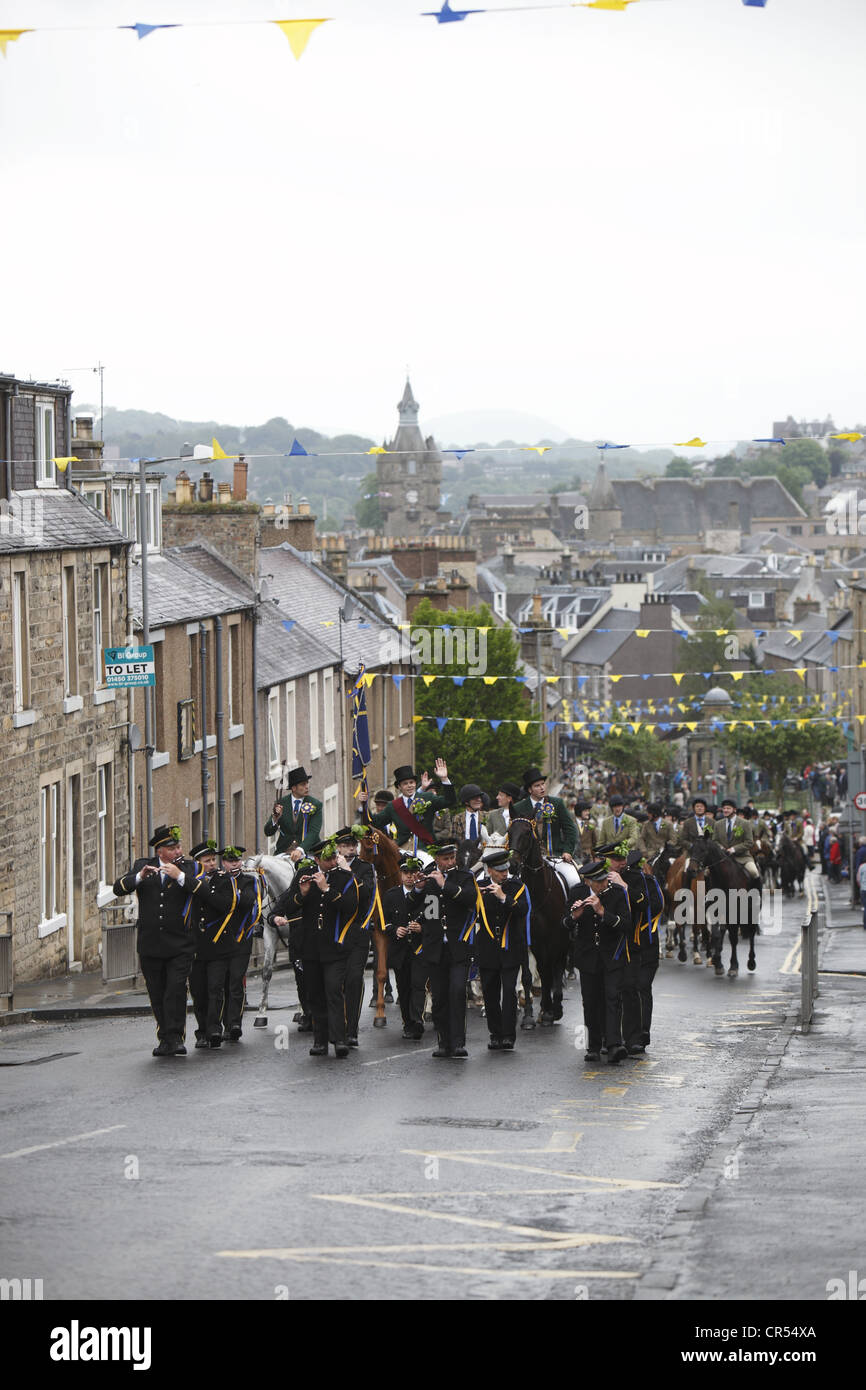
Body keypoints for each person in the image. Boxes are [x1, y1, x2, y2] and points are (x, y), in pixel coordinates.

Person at [113, 824, 202, 1057]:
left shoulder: (189, 867)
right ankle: (164, 1038)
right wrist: (139, 878)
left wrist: (180, 877)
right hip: (151, 944)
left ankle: (176, 1037)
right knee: (157, 993)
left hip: (180, 945)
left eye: (179, 847)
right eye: (172, 848)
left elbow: (203, 890)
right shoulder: (143, 866)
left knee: (175, 990)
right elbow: (118, 888)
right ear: (160, 850)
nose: (178, 851)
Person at [270, 838, 360, 1058]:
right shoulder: (305, 873)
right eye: (326, 859)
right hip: (310, 947)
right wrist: (301, 893)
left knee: (333, 990)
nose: (331, 862)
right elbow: (287, 906)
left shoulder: (344, 876)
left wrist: (326, 888)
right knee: (315, 994)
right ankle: (320, 1040)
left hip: (335, 946)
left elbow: (350, 907)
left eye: (333, 857)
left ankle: (339, 1038)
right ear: (317, 859)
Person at [409, 842, 477, 1058]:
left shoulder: (464, 877)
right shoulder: (429, 880)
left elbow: (469, 898)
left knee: (457, 992)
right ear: (437, 860)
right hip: (436, 948)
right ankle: (443, 1042)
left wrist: (445, 884)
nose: (449, 862)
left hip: (458, 947)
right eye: (445, 859)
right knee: (439, 997)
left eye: (452, 858)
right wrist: (419, 889)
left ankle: (458, 1042)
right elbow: (423, 910)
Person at [565, 859, 631, 1065]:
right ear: (588, 882)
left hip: (611, 955)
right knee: (590, 1001)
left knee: (612, 998)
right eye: (598, 882)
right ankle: (593, 1046)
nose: (603, 885)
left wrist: (603, 911)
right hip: (587, 957)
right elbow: (564, 923)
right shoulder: (577, 893)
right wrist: (574, 916)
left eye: (604, 880)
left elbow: (626, 924)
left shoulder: (617, 893)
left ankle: (613, 1045)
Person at [474, 848, 531, 1051]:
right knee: (489, 992)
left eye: (506, 869)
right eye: (499, 870)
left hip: (510, 948)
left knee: (509, 991)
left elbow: (523, 910)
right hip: (488, 947)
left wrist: (503, 897)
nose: (504, 873)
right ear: (489, 871)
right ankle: (495, 1033)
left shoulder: (516, 887)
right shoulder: (479, 886)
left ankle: (508, 1035)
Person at [207, 846, 264, 1042]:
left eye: (237, 860)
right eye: (231, 861)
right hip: (220, 941)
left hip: (240, 939)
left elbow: (248, 901)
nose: (235, 864)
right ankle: (217, 1024)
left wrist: (230, 894)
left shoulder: (248, 880)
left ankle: (234, 1024)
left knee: (235, 982)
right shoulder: (217, 880)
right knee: (218, 984)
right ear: (223, 862)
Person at [333, 826, 379, 1046]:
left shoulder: (365, 868)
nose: (350, 848)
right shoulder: (330, 867)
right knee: (333, 982)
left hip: (357, 932)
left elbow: (366, 893)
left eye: (352, 845)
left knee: (353, 979)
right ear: (338, 848)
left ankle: (351, 1029)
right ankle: (335, 1028)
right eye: (345, 845)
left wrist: (348, 872)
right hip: (334, 933)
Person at [188, 841, 232, 1049]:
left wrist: (203, 888)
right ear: (198, 863)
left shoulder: (223, 880)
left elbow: (223, 904)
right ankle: (202, 1030)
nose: (212, 864)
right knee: (198, 991)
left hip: (217, 945)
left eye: (213, 860)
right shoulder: (189, 882)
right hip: (196, 945)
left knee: (215, 988)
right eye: (207, 861)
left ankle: (215, 1028)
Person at [359, 759, 455, 850]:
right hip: (403, 849)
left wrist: (444, 778)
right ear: (399, 787)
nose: (409, 786)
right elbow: (374, 822)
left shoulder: (427, 797)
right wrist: (364, 804)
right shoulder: (393, 806)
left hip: (427, 848)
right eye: (405, 783)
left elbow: (449, 801)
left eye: (411, 782)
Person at [382, 856, 427, 1039]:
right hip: (400, 950)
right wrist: (394, 929)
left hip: (419, 948)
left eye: (413, 873)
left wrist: (422, 928)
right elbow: (383, 922)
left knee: (418, 984)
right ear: (401, 874)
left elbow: (434, 918)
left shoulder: (427, 894)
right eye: (406, 873)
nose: (409, 877)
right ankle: (407, 1021)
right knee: (404, 986)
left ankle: (417, 1021)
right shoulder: (391, 895)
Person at [511, 767, 577, 861]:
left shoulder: (557, 803)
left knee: (572, 876)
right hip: (528, 860)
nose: (542, 788)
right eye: (537, 786)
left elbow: (570, 829)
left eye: (543, 784)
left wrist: (567, 851)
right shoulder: (518, 808)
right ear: (530, 790)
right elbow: (515, 835)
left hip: (556, 856)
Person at [263, 766, 323, 857]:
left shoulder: (315, 804)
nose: (307, 787)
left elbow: (313, 832)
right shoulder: (281, 803)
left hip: (308, 852)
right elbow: (268, 832)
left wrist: (300, 849)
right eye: (303, 784)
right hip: (284, 851)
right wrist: (275, 819)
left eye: (307, 783)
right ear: (294, 788)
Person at [713, 797, 760, 881]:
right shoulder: (717, 824)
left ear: (734, 810)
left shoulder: (745, 823)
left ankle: (756, 893)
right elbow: (715, 841)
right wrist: (721, 848)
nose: (725, 810)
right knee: (706, 873)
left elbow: (749, 842)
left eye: (728, 808)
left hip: (742, 858)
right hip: (722, 859)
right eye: (724, 808)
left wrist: (734, 849)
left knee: (754, 872)